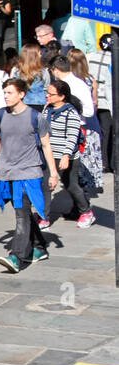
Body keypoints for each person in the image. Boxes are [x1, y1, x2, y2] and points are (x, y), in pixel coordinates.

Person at [0, 78, 60, 273]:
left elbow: (46, 146)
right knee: (24, 213)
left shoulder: (35, 117)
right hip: (7, 173)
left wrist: (53, 173)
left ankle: (17, 256)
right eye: (4, 93)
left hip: (29, 174)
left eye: (10, 92)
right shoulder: (0, 115)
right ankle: (39, 246)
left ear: (21, 94)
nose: (6, 96)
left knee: (21, 216)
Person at [42, 80, 96, 228]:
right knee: (45, 185)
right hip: (49, 154)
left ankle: (86, 212)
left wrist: (66, 155)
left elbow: (72, 136)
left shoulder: (70, 112)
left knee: (71, 186)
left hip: (67, 156)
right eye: (47, 93)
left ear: (62, 96)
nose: (47, 96)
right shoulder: (47, 109)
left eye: (51, 94)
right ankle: (43, 216)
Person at [50, 53, 104, 193]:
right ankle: (79, 206)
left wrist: (72, 108)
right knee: (70, 174)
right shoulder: (63, 85)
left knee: (77, 172)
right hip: (64, 132)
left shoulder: (77, 85)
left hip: (77, 131)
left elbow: (89, 111)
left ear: (56, 70)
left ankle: (82, 208)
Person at [86, 32, 114, 172]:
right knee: (108, 132)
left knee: (101, 131)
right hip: (107, 101)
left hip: (93, 100)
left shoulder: (92, 56)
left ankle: (101, 161)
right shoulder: (113, 58)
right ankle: (107, 162)